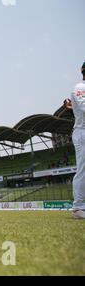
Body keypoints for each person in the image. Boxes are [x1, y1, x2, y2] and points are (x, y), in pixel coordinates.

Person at [63, 62, 85, 219]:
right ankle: (78, 208)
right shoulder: (80, 87)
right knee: (83, 170)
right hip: (82, 133)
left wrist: (71, 107)